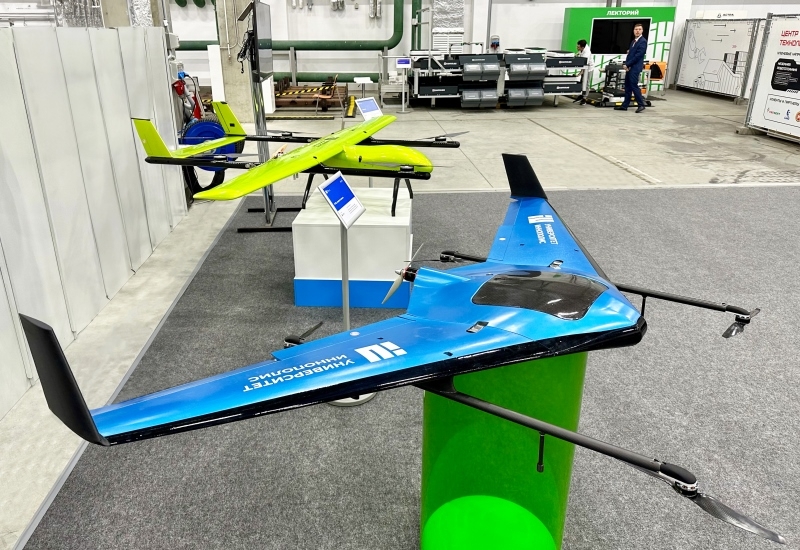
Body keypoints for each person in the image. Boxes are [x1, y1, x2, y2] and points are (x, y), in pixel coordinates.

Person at [615, 23, 648, 113]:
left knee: (634, 86)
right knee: (628, 87)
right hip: (630, 67)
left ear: (642, 31)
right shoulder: (633, 41)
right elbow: (630, 55)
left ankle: (641, 105)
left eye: (639, 29)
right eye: (636, 29)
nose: (637, 31)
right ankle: (625, 105)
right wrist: (627, 64)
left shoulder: (642, 41)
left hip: (635, 68)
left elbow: (638, 56)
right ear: (633, 31)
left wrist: (628, 64)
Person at [575, 40, 595, 105]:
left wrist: (580, 73)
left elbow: (585, 65)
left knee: (586, 83)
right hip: (584, 67)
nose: (577, 48)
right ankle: (581, 95)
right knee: (582, 82)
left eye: (578, 47)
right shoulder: (582, 49)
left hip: (589, 68)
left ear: (582, 47)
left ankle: (584, 98)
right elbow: (579, 54)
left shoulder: (587, 53)